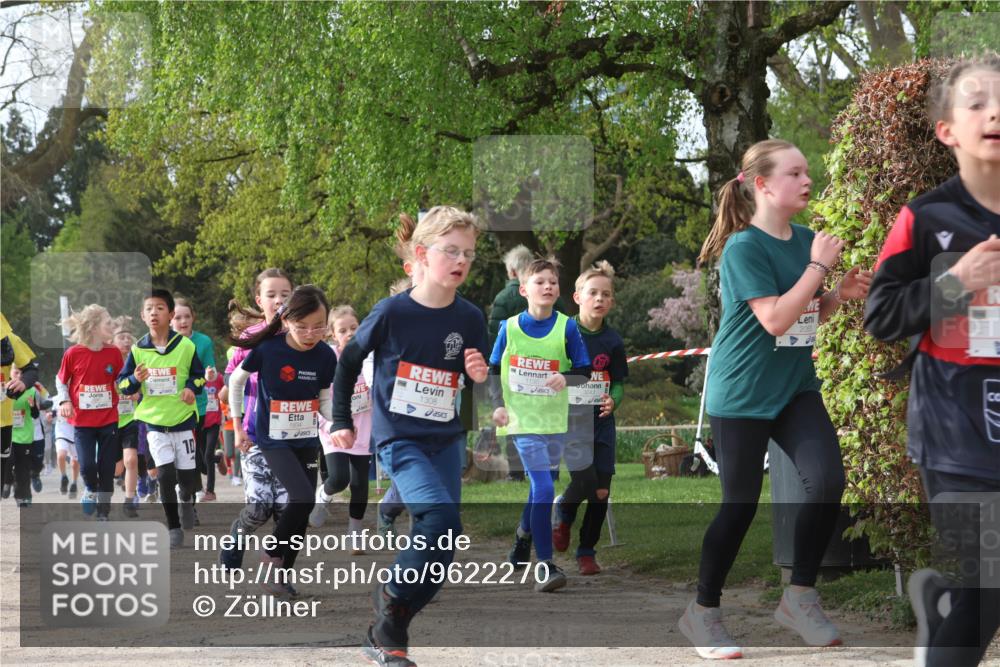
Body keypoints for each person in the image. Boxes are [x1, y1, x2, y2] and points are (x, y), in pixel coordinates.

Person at [679, 139, 873, 659]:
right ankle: (702, 612)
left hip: (793, 389)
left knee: (828, 480)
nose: (807, 180)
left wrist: (836, 297)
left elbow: (802, 317)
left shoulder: (805, 238)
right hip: (740, 394)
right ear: (762, 185)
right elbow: (773, 319)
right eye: (795, 173)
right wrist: (818, 271)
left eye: (807, 171)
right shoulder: (744, 247)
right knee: (739, 508)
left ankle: (800, 596)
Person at [863, 56, 1000, 667]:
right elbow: (881, 316)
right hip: (955, 432)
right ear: (946, 129)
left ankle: (944, 603)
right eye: (977, 102)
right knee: (993, 581)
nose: (994, 112)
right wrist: (956, 283)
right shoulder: (925, 218)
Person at [329, 205, 489, 667]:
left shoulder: (471, 317)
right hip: (399, 440)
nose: (462, 261)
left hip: (446, 439)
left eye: (470, 254)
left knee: (442, 545)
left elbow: (476, 377)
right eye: (451, 251)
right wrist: (341, 419)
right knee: (441, 522)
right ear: (422, 253)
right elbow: (346, 363)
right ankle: (390, 615)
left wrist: (479, 377)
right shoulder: (392, 312)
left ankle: (390, 622)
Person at [489, 256, 591, 593]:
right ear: (523, 289)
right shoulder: (509, 328)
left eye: (552, 282)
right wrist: (498, 407)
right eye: (540, 282)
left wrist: (566, 377)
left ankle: (522, 535)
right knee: (546, 489)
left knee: (539, 487)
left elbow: (584, 371)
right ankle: (545, 565)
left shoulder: (568, 327)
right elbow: (492, 372)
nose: (547, 286)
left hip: (554, 421)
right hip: (521, 422)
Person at [229, 285, 337, 595]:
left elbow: (325, 401)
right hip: (272, 440)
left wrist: (340, 423)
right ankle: (270, 556)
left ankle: (280, 576)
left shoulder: (325, 356)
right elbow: (236, 382)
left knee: (301, 511)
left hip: (306, 440)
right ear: (286, 320)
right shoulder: (269, 349)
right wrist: (238, 427)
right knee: (302, 496)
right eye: (302, 326)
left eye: (319, 326)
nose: (311, 333)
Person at [552, 260, 628, 575]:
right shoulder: (561, 332)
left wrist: (614, 401)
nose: (599, 299)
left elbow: (620, 382)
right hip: (572, 422)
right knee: (585, 481)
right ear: (577, 297)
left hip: (602, 423)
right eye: (592, 293)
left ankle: (586, 551)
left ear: (611, 302)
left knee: (601, 491)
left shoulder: (613, 342)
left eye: (605, 295)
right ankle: (565, 516)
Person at [219, 268, 293, 570]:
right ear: (259, 299)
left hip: (292, 436)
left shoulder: (299, 336)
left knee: (288, 509)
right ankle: (237, 536)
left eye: (285, 295)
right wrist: (237, 425)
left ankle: (279, 571)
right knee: (261, 506)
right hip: (254, 434)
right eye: (271, 295)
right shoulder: (248, 339)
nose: (278, 300)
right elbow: (228, 390)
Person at [118, 289, 205, 546]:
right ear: (142, 316)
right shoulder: (138, 350)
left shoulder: (185, 346)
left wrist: (191, 387)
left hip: (183, 419)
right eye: (149, 309)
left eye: (159, 308)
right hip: (154, 423)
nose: (154, 312)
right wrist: (135, 379)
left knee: (187, 480)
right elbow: (122, 385)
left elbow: (198, 376)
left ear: (170, 314)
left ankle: (186, 499)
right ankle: (173, 528)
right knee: (165, 475)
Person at [488, 245, 569, 481]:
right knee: (541, 418)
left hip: (513, 371)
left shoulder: (502, 298)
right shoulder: (553, 297)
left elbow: (495, 336)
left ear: (512, 270)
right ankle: (544, 471)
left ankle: (516, 472)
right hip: (548, 371)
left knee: (515, 418)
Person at [311, 305, 374, 554]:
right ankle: (323, 497)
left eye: (354, 329)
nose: (349, 333)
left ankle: (354, 534)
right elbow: (320, 399)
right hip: (333, 429)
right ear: (332, 334)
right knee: (339, 478)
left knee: (360, 486)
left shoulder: (369, 358)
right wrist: (331, 424)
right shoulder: (328, 361)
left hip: (363, 429)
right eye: (342, 330)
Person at [57, 305, 124, 520]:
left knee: (107, 469)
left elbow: (120, 381)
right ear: (94, 327)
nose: (113, 326)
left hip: (108, 420)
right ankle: (90, 489)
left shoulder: (113, 352)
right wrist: (65, 401)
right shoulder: (73, 353)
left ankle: (103, 513)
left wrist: (128, 390)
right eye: (108, 323)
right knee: (87, 466)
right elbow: (61, 381)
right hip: (83, 422)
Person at [171, 297, 220, 500]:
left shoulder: (204, 342)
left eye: (187, 317)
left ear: (193, 318)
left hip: (198, 407)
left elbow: (212, 371)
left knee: (195, 457)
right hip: (171, 408)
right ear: (170, 320)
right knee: (183, 457)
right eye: (177, 317)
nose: (183, 321)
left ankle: (190, 491)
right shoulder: (164, 343)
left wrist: (210, 375)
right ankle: (188, 500)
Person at [1, 312, 40, 500]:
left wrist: (23, 382)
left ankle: (19, 494)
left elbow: (31, 370)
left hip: (6, 422)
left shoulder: (8, 339)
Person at [112, 317, 143, 517]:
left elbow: (148, 389)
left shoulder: (138, 361)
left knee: (131, 460)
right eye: (121, 337)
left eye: (129, 337)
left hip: (132, 418)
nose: (125, 341)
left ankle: (129, 500)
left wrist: (138, 394)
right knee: (116, 469)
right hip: (110, 420)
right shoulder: (107, 362)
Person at [9, 367, 49, 506]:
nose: (19, 376)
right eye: (16, 372)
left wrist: (33, 406)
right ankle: (8, 482)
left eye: (22, 373)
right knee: (8, 464)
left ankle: (24, 496)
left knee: (24, 468)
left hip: (26, 435)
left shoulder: (32, 389)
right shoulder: (2, 390)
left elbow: (36, 413)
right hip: (7, 436)